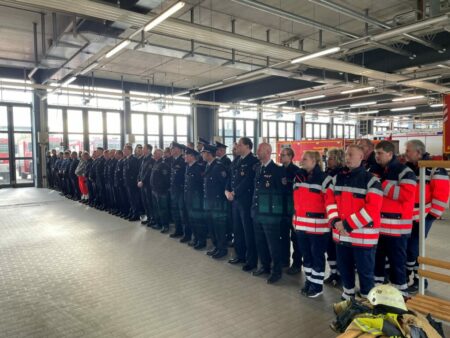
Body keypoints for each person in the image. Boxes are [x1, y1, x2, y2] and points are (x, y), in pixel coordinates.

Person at [325, 144, 383, 300]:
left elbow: (372, 209)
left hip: (363, 238)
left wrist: (346, 225)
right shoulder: (338, 178)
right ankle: (348, 296)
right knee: (345, 269)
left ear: (361, 157)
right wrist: (335, 220)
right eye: (346, 155)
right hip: (342, 236)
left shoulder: (371, 180)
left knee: (365, 273)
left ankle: (366, 301)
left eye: (351, 154)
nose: (347, 158)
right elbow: (329, 201)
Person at [369, 141, 416, 295]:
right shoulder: (375, 171)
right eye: (376, 153)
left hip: (397, 229)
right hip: (378, 227)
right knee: (377, 261)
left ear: (390, 154)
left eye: (380, 153)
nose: (377, 156)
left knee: (397, 262)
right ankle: (378, 292)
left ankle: (401, 294)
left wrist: (382, 184)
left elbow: (406, 195)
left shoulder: (404, 171)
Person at [404, 140, 449, 291]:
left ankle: (420, 280)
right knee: (409, 247)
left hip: (424, 216)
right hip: (409, 216)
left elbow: (442, 194)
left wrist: (431, 216)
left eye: (408, 150)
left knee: (415, 248)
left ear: (418, 152)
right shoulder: (408, 167)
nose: (405, 153)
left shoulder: (434, 168)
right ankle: (409, 276)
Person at [293, 151, 328, 297]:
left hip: (318, 226)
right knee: (306, 255)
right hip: (301, 224)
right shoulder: (299, 177)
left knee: (317, 256)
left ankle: (317, 286)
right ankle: (309, 280)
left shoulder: (324, 178)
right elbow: (295, 201)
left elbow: (329, 202)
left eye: (305, 159)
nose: (302, 161)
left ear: (314, 161)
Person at [252, 142, 286, 284]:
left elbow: (282, 194)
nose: (257, 151)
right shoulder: (258, 168)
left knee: (273, 244)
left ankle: (276, 271)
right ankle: (265, 266)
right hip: (258, 212)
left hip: (270, 215)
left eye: (259, 149)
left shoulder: (277, 170)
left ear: (267, 151)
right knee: (260, 242)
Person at [225, 137, 259, 271]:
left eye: (239, 145)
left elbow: (248, 181)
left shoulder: (253, 161)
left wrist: (234, 193)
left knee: (247, 231)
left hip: (245, 201)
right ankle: (240, 255)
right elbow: (230, 177)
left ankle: (251, 261)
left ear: (247, 146)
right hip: (235, 201)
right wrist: (226, 190)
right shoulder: (237, 161)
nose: (236, 147)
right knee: (237, 229)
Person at [202, 144, 229, 259]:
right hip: (209, 202)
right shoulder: (208, 165)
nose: (202, 155)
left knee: (219, 227)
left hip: (218, 203)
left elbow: (224, 185)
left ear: (208, 154)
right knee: (212, 226)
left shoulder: (218, 166)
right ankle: (216, 246)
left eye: (203, 153)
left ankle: (222, 249)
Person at [323, 148, 345, 286]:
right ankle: (333, 272)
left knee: (340, 249)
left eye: (330, 158)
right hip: (328, 217)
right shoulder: (327, 173)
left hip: (338, 217)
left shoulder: (341, 175)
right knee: (330, 247)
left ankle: (341, 275)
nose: (328, 161)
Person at [279, 147, 302, 275]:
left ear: (290, 156)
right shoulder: (279, 170)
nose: (281, 157)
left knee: (295, 238)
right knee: (283, 236)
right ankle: (284, 259)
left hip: (293, 209)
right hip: (282, 209)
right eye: (281, 154)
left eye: (284, 155)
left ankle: (297, 263)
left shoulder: (297, 172)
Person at [184, 147, 205, 249]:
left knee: (198, 221)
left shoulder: (198, 168)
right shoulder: (188, 167)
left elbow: (201, 186)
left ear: (192, 157)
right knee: (192, 220)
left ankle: (201, 240)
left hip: (196, 200)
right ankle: (195, 238)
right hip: (189, 198)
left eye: (186, 155)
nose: (185, 157)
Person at [168, 142, 187, 238]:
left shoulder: (183, 160)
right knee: (175, 211)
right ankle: (178, 230)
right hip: (174, 190)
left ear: (178, 150)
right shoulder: (172, 160)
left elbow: (185, 177)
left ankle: (186, 234)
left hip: (181, 190)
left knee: (182, 212)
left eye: (172, 148)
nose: (170, 150)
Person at [150, 149, 171, 233]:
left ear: (159, 154)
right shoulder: (156, 163)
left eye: (155, 153)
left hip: (161, 191)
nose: (153, 154)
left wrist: (162, 188)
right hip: (154, 190)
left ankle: (165, 226)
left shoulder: (163, 165)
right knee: (156, 208)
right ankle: (158, 224)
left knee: (163, 209)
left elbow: (166, 179)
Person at [138, 144, 155, 226]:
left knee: (149, 202)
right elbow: (140, 171)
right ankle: (148, 217)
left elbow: (148, 172)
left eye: (144, 148)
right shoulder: (144, 158)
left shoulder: (151, 159)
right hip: (142, 184)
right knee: (145, 202)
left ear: (148, 150)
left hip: (147, 185)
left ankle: (153, 219)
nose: (142, 150)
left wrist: (142, 181)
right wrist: (138, 180)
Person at [122, 145, 140, 221]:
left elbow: (135, 172)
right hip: (127, 182)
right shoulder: (126, 159)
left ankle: (136, 214)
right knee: (130, 199)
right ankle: (132, 212)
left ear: (129, 150)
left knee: (134, 199)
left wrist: (133, 181)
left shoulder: (134, 159)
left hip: (132, 183)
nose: (124, 151)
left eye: (125, 150)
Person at [113, 150, 129, 218]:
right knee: (119, 198)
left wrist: (121, 182)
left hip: (122, 183)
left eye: (116, 154)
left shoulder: (123, 162)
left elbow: (122, 174)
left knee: (123, 198)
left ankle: (125, 212)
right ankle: (121, 210)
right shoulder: (118, 161)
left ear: (120, 155)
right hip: (118, 183)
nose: (115, 155)